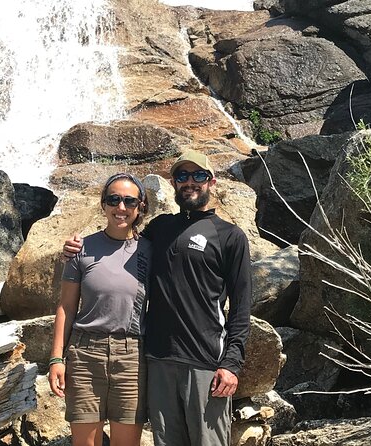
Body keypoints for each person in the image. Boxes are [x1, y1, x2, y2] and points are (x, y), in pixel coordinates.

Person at [64, 150, 252, 446]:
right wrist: (77, 247)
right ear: (173, 183)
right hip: (158, 360)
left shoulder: (230, 236)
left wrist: (231, 364)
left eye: (198, 176)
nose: (190, 182)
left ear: (211, 182)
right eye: (182, 176)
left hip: (205, 362)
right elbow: (119, 239)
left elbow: (242, 308)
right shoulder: (160, 229)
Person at [49, 173, 152, 446]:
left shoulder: (150, 250)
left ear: (140, 206)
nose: (121, 208)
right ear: (103, 204)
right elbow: (66, 307)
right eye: (114, 199)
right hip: (84, 354)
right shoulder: (81, 249)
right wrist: (56, 359)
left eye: (129, 201)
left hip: (132, 357)